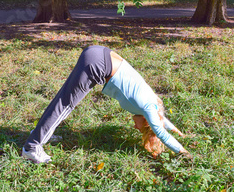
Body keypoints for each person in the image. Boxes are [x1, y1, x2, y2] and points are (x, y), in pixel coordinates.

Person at [22, 45, 191, 163]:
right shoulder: (147, 108)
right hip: (98, 64)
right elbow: (160, 131)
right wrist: (183, 153)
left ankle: (42, 133)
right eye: (142, 128)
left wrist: (177, 130)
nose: (136, 127)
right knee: (65, 105)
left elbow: (161, 120)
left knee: (63, 101)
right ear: (147, 121)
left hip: (100, 54)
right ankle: (32, 147)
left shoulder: (151, 105)